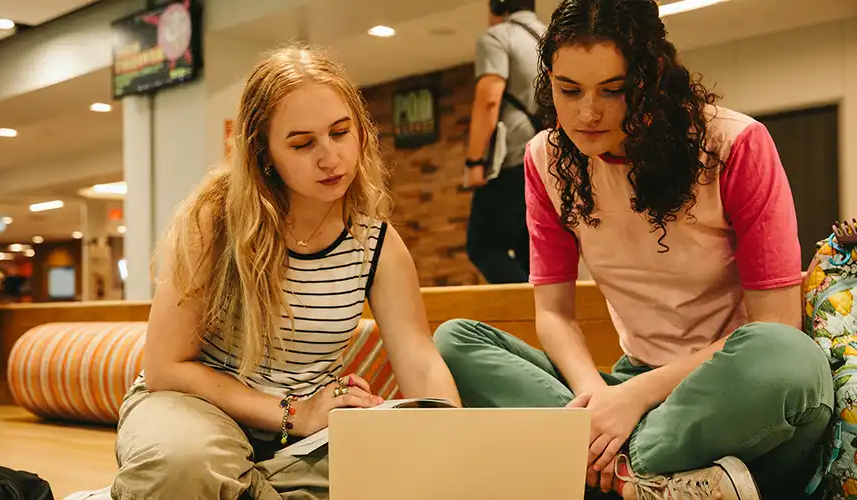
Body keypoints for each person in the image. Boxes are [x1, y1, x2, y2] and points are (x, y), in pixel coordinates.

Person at [435, 0, 832, 499]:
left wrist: (635, 399)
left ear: (651, 79)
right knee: (455, 342)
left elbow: (776, 326)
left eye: (613, 90)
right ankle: (647, 478)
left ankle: (607, 468)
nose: (587, 113)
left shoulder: (734, 144)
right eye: (569, 90)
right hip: (628, 384)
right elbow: (554, 316)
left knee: (791, 360)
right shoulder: (545, 159)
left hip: (726, 388)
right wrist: (597, 401)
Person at [110, 46, 461, 500]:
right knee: (183, 465)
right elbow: (164, 368)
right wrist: (295, 413)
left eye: (340, 132)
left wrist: (455, 445)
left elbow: (420, 360)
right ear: (264, 153)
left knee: (407, 467)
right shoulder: (214, 220)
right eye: (302, 144)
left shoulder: (376, 242)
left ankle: (234, 488)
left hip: (306, 435)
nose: (330, 157)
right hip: (198, 409)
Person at [463, 0, 546, 284]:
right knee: (530, 250)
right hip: (549, 158)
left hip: (512, 159)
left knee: (483, 246)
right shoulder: (553, 38)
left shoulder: (498, 37)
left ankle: (526, 304)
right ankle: (542, 307)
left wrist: (475, 162)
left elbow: (488, 100)